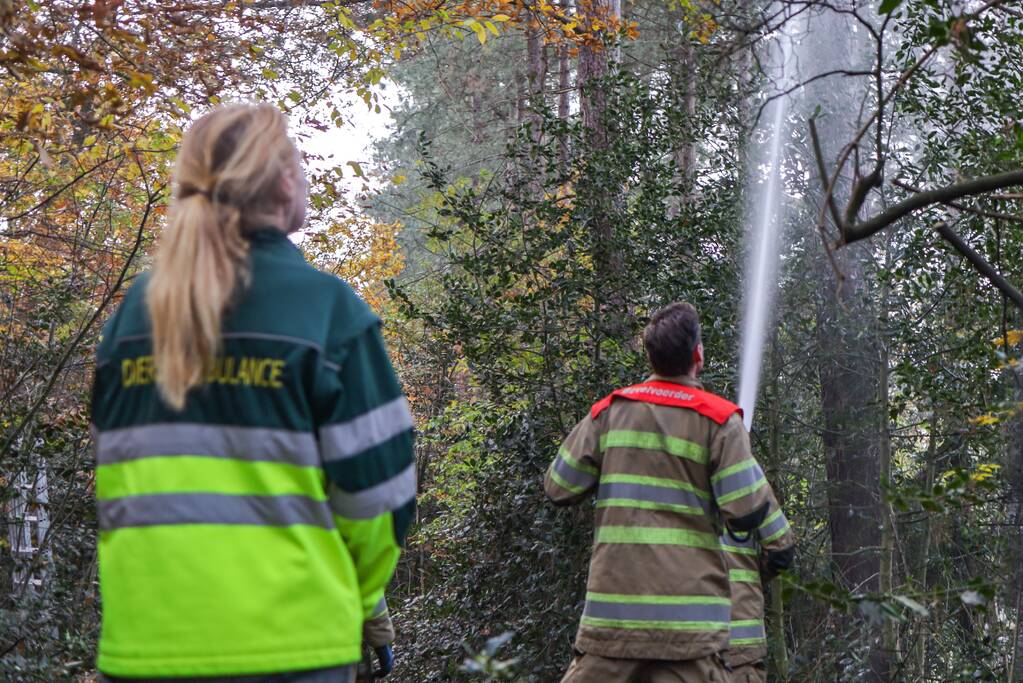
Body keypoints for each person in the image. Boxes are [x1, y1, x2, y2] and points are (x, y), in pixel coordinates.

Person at [90, 103, 416, 682]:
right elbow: (380, 502)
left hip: (144, 644)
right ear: (286, 180)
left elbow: (119, 472)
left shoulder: (133, 318)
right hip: (292, 647)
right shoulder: (327, 311)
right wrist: (361, 605)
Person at [544, 302, 792, 682]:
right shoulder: (719, 420)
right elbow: (745, 512)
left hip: (612, 627)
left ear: (650, 354)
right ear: (698, 354)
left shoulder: (610, 412)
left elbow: (558, 486)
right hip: (689, 635)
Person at [721, 490, 795, 683]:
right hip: (741, 642)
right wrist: (748, 582)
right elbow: (781, 549)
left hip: (679, 644)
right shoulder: (739, 477)